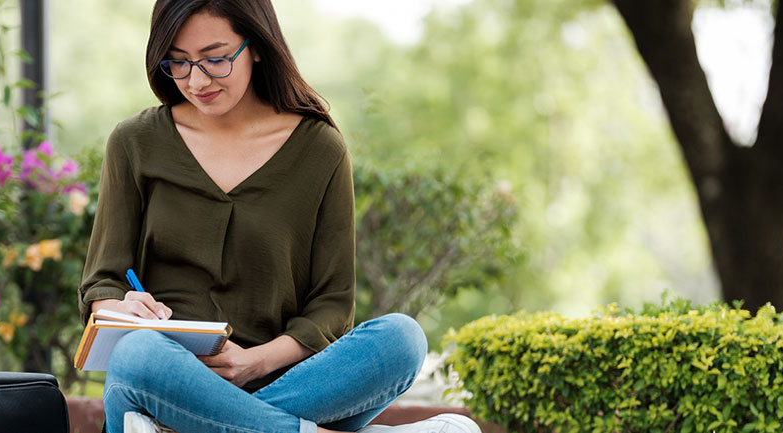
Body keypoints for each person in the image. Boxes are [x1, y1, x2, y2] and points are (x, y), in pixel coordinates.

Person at [78, 1, 481, 432]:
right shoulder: (134, 142)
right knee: (136, 355)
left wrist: (252, 363)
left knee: (402, 340)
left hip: (290, 385)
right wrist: (122, 306)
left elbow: (331, 305)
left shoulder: (320, 150)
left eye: (216, 59)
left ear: (257, 45)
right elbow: (103, 280)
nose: (196, 80)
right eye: (178, 62)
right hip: (164, 381)